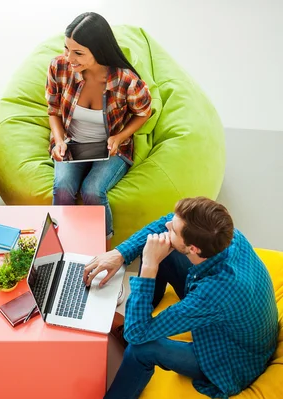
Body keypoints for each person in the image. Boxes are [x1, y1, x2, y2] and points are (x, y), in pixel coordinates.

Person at [83, 197, 278, 398]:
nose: (168, 225)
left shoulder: (211, 295)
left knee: (141, 347)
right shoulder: (225, 235)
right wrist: (119, 253)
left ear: (194, 249)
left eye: (174, 229)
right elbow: (166, 222)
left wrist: (150, 266)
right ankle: (143, 316)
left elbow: (136, 336)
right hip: (235, 320)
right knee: (156, 244)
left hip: (231, 360)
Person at [46, 12, 152, 243]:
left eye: (78, 53)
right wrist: (60, 140)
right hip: (72, 143)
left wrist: (119, 137)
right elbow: (53, 110)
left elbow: (144, 112)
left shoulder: (127, 81)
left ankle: (101, 246)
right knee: (63, 187)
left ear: (99, 50)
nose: (69, 57)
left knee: (92, 191)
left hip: (111, 148)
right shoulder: (59, 67)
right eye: (67, 49)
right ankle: (58, 243)